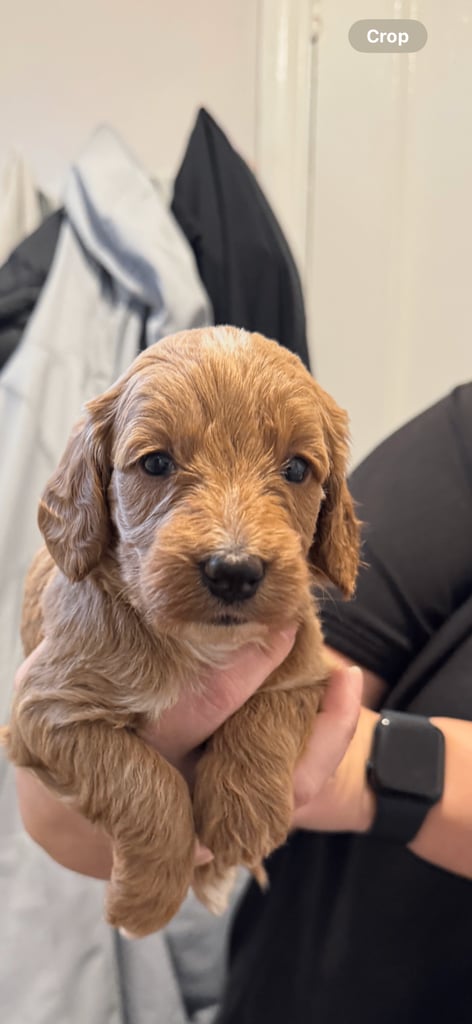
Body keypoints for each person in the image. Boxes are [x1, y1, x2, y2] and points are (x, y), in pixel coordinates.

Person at [15, 383, 472, 1023]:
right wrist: (155, 817)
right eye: (157, 464)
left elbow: (296, 686)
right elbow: (307, 674)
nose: (235, 549)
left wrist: (358, 772)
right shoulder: (461, 439)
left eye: (291, 471)